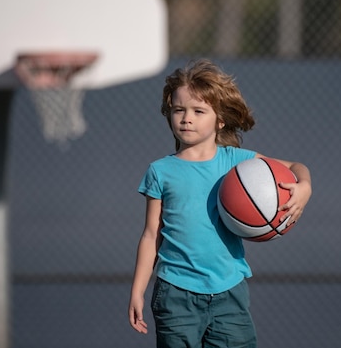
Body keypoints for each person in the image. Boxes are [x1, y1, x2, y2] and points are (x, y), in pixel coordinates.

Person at [128, 59, 312, 347]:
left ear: (220, 120)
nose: (186, 118)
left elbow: (296, 166)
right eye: (179, 110)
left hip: (229, 292)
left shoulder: (237, 163)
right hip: (176, 294)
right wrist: (138, 290)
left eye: (198, 111)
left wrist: (305, 187)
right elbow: (151, 235)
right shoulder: (160, 171)